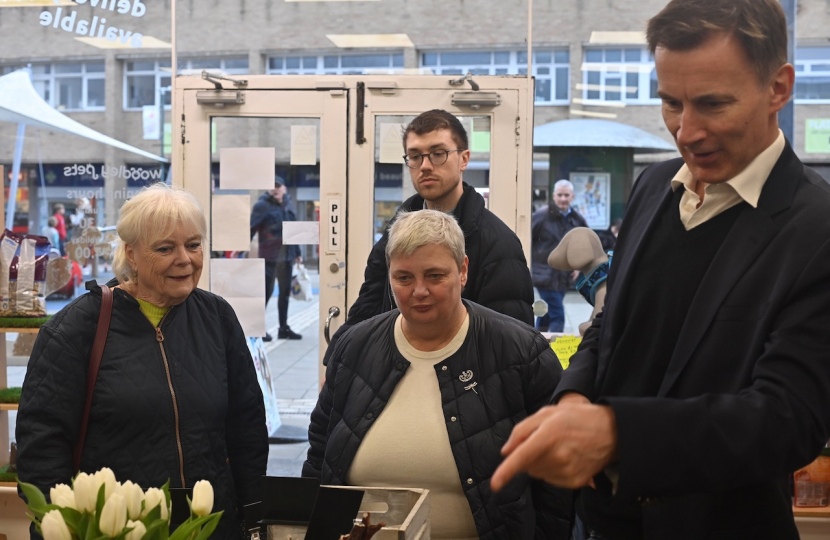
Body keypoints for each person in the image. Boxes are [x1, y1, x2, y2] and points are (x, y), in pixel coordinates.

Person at [491, 1, 830, 538]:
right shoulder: (654, 186)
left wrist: (618, 434)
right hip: (601, 520)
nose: (686, 132)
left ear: (778, 89)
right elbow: (611, 323)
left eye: (713, 104)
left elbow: (788, 419)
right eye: (671, 102)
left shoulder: (816, 229)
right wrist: (575, 397)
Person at [17, 184, 268, 539]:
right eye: (165, 248)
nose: (185, 259)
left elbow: (247, 429)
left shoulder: (217, 317)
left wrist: (255, 518)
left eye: (193, 245)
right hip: (118, 528)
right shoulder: (76, 329)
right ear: (131, 254)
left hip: (210, 526)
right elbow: (42, 444)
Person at [304, 210, 571, 539]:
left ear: (462, 271)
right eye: (403, 278)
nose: (419, 291)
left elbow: (557, 482)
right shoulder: (354, 348)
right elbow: (320, 454)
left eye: (434, 276)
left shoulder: (520, 353)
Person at [326, 109, 533, 358]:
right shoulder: (395, 233)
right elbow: (368, 308)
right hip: (393, 374)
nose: (424, 166)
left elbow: (511, 341)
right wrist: (337, 360)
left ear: (464, 159)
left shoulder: (498, 243)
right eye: (415, 156)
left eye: (438, 154)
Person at [530, 179, 587, 332]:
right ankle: (556, 352)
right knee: (558, 316)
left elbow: (585, 245)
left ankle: (534, 348)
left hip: (563, 278)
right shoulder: (541, 216)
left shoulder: (577, 219)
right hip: (544, 276)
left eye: (566, 195)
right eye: (560, 195)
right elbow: (526, 238)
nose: (563, 199)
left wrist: (580, 266)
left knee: (545, 315)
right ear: (554, 196)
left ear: (572, 196)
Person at [250, 179, 303, 341]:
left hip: (286, 257)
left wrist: (297, 252)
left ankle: (283, 328)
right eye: (272, 187)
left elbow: (293, 230)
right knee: (266, 293)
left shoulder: (288, 204)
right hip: (269, 257)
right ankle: (258, 328)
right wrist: (240, 247)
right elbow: (251, 228)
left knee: (285, 292)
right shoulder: (262, 205)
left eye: (278, 186)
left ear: (284, 188)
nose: (275, 189)